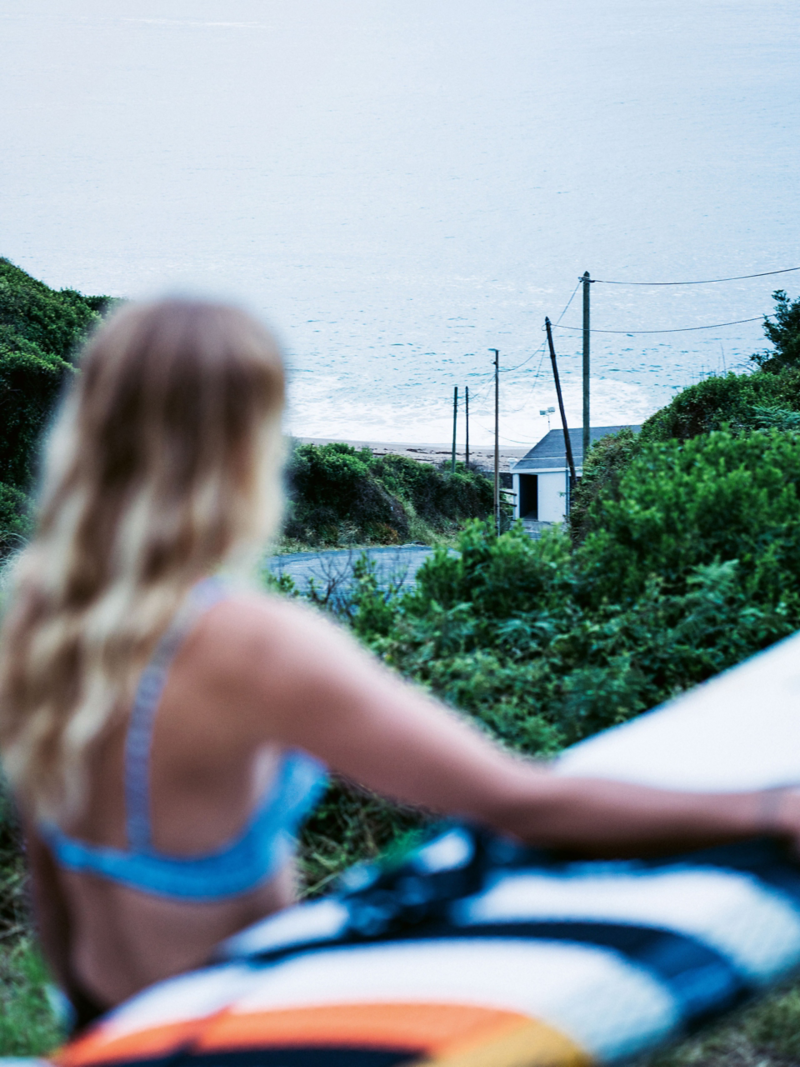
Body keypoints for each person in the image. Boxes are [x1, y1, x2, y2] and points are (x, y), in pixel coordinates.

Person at [0, 298, 798, 1033]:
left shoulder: (38, 605)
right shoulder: (250, 644)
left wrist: (90, 1031)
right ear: (246, 449)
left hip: (112, 1023)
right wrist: (764, 814)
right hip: (228, 1035)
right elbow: (519, 801)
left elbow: (51, 867)